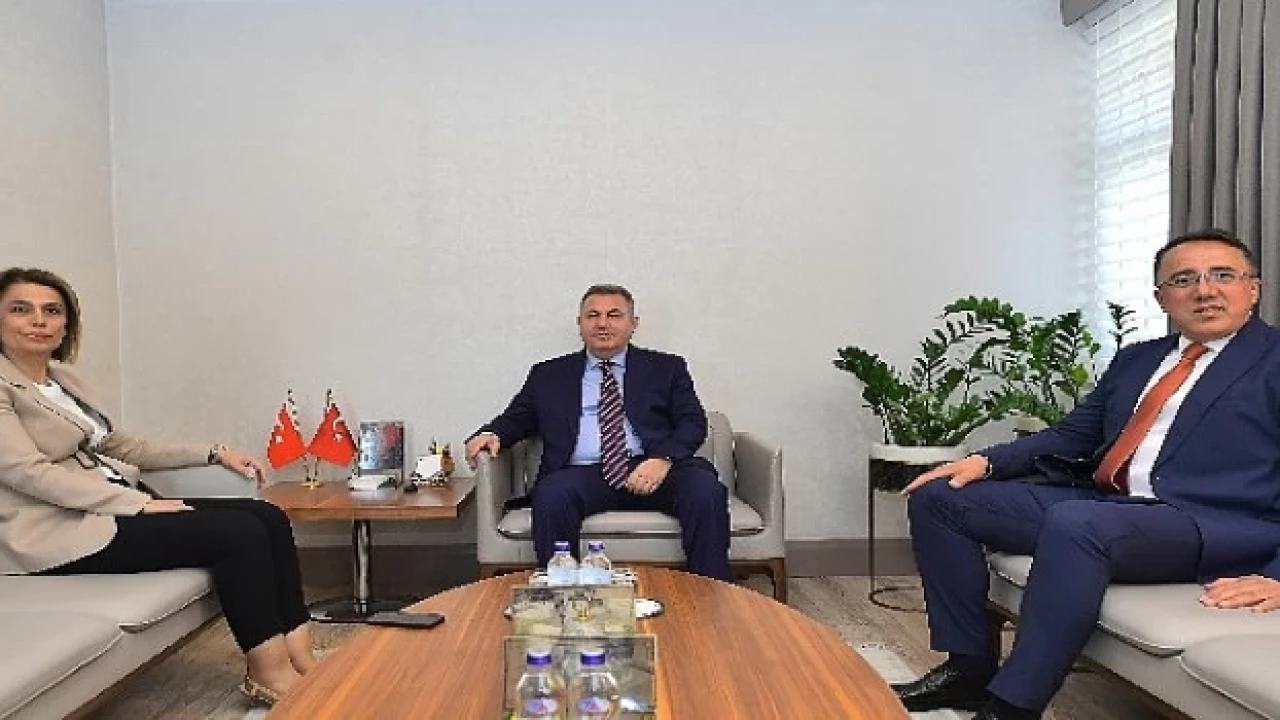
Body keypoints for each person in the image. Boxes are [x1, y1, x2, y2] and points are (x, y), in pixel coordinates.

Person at [892, 229, 1280, 719]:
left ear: (1252, 289)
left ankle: (1011, 707)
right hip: (1115, 509)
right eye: (1184, 280)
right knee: (940, 498)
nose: (1204, 290)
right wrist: (986, 462)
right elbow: (1073, 434)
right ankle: (969, 670)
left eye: (1223, 275)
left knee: (1079, 522)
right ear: (1161, 298)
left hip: (1213, 524)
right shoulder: (1138, 359)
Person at [0, 267, 314, 707]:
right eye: (20, 309)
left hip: (105, 508)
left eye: (52, 311)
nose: (38, 320)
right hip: (58, 529)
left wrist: (214, 452)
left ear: (66, 326)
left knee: (268, 516)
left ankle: (303, 659)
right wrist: (137, 504)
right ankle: (269, 674)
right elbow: (27, 472)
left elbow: (126, 446)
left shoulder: (63, 383)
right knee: (238, 534)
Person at [465, 284, 731, 580]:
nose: (602, 323)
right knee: (552, 495)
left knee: (705, 490)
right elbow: (518, 418)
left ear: (633, 323)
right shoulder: (548, 374)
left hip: (653, 467)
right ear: (579, 323)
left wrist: (662, 458)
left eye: (614, 315)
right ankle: (565, 594)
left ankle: (711, 591)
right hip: (584, 474)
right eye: (593, 315)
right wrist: (492, 434)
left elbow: (693, 422)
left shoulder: (666, 368)